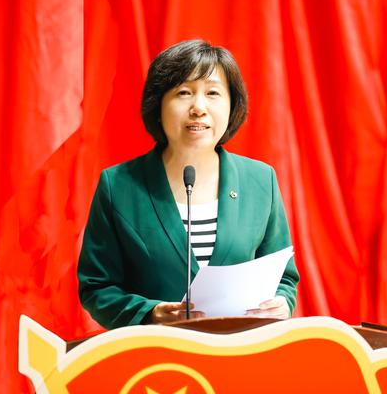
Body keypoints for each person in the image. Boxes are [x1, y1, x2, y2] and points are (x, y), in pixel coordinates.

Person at [78, 39, 299, 329]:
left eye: (212, 93)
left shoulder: (260, 180)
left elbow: (284, 278)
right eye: (184, 92)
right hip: (156, 352)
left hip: (240, 349)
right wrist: (151, 313)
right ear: (158, 105)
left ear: (232, 105)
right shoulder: (118, 185)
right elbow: (96, 287)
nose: (199, 108)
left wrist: (282, 301)